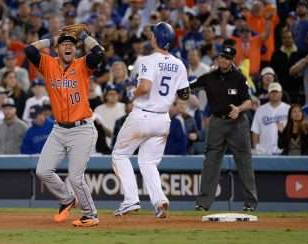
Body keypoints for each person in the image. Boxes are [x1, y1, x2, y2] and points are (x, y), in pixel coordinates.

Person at [24, 24, 104, 227]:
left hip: (82, 129)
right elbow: (29, 50)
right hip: (59, 130)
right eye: (64, 44)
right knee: (43, 171)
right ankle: (67, 199)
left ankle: (90, 214)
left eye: (72, 44)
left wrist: (84, 35)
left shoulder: (82, 65)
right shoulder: (48, 64)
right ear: (57, 49)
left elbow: (99, 52)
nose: (68, 46)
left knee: (76, 177)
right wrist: (53, 38)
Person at [112, 22, 190, 218]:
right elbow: (185, 95)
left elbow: (145, 87)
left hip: (143, 114)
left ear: (155, 38)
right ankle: (160, 200)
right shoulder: (179, 64)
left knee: (120, 155)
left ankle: (130, 200)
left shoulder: (147, 60)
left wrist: (132, 93)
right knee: (148, 162)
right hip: (163, 120)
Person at [189, 45, 258, 211]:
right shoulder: (209, 77)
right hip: (217, 123)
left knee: (244, 162)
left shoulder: (239, 78)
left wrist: (239, 109)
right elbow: (190, 86)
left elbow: (249, 102)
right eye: (221, 56)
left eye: (227, 58)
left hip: (237, 123)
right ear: (218, 57)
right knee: (210, 163)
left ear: (232, 60)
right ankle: (203, 204)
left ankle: (250, 203)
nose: (223, 60)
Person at [251, 82, 291, 155]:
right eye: (272, 92)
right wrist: (256, 147)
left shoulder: (289, 109)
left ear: (281, 94)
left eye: (276, 92)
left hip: (283, 151)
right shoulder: (260, 110)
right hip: (263, 152)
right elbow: (255, 131)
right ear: (268, 94)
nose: (274, 94)